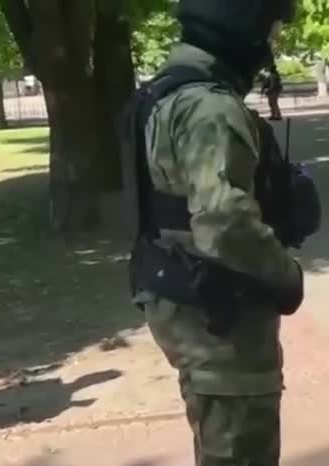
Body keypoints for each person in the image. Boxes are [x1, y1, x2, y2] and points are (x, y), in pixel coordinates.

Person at [126, 1, 302, 465]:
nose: (272, 44)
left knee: (218, 437)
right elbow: (225, 225)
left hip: (182, 294)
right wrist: (287, 275)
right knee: (240, 449)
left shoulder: (162, 93)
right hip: (221, 315)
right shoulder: (210, 107)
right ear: (241, 27)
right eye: (271, 28)